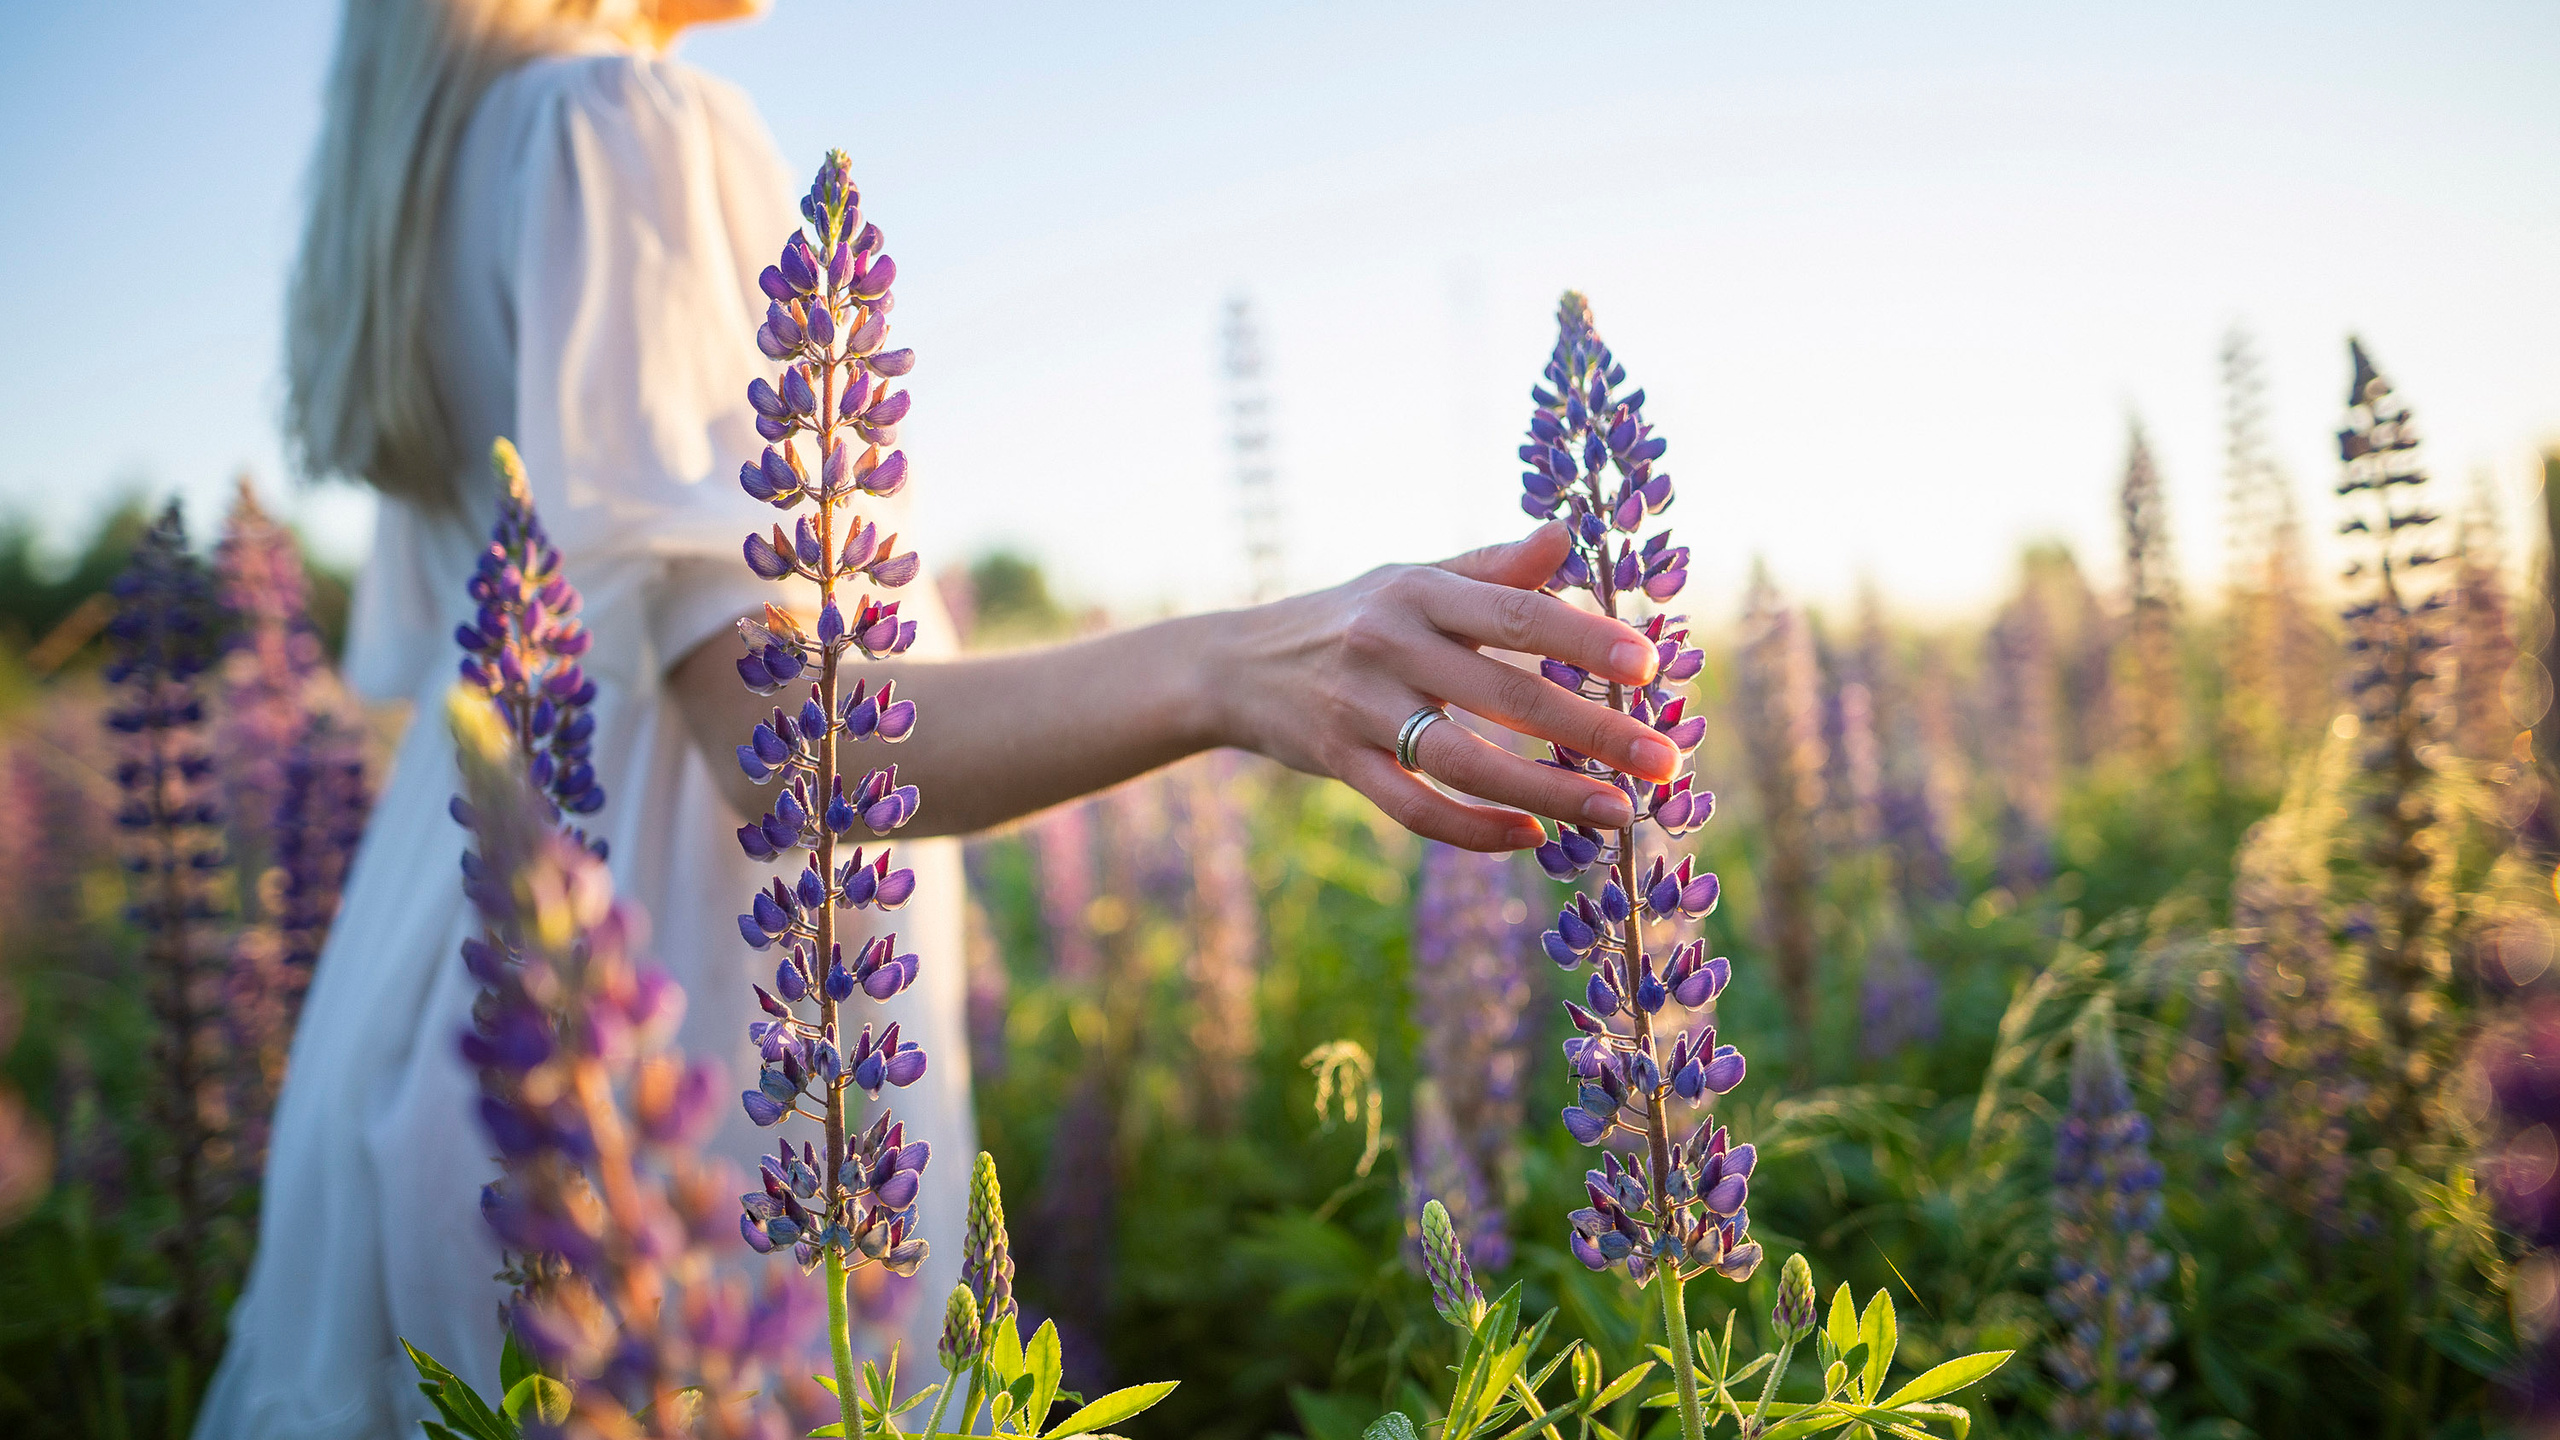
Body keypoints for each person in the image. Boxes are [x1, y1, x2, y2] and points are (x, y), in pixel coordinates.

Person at [197, 1, 1679, 1434]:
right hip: (679, 1063)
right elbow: (785, 732)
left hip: (431, 1023)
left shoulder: (436, 168)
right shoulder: (622, 120)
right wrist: (1236, 666)